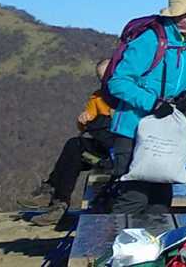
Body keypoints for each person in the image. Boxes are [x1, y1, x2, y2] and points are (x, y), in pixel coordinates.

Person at [102, 0, 186, 216]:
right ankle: (120, 239)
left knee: (160, 201)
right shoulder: (149, 40)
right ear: (182, 14)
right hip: (132, 130)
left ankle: (155, 240)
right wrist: (152, 103)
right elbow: (118, 82)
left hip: (166, 132)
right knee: (133, 198)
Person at [17, 61, 118, 224]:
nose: (105, 81)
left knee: (78, 148)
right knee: (74, 146)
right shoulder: (98, 97)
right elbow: (86, 126)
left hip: (120, 155)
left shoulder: (130, 95)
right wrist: (83, 120)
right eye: (102, 78)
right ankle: (57, 200)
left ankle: (54, 196)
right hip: (102, 152)